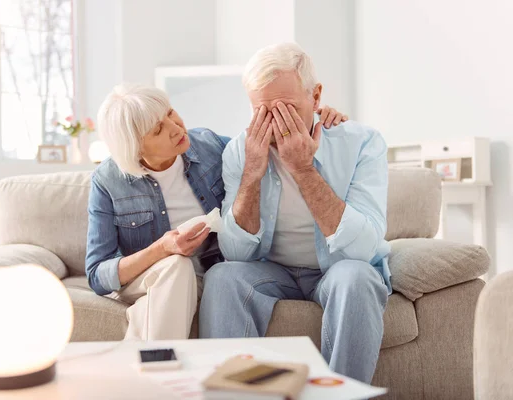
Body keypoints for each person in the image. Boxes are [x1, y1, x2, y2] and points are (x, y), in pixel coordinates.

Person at [85, 83, 348, 341]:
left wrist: (314, 118)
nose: (176, 127)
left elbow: (261, 146)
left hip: (210, 276)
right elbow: (98, 275)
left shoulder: (209, 145)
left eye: (170, 113)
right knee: (177, 266)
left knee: (189, 282)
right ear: (136, 148)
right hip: (152, 279)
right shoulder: (108, 181)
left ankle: (152, 368)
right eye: (158, 130)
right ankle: (161, 371)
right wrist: (163, 249)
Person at [199, 42, 391, 384]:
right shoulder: (240, 152)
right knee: (222, 277)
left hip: (338, 267)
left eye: (287, 108)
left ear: (315, 98)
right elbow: (235, 253)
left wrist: (303, 170)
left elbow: (362, 250)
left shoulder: (362, 142)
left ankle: (340, 394)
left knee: (358, 279)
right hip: (272, 270)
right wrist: (252, 173)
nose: (275, 122)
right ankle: (236, 395)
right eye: (262, 110)